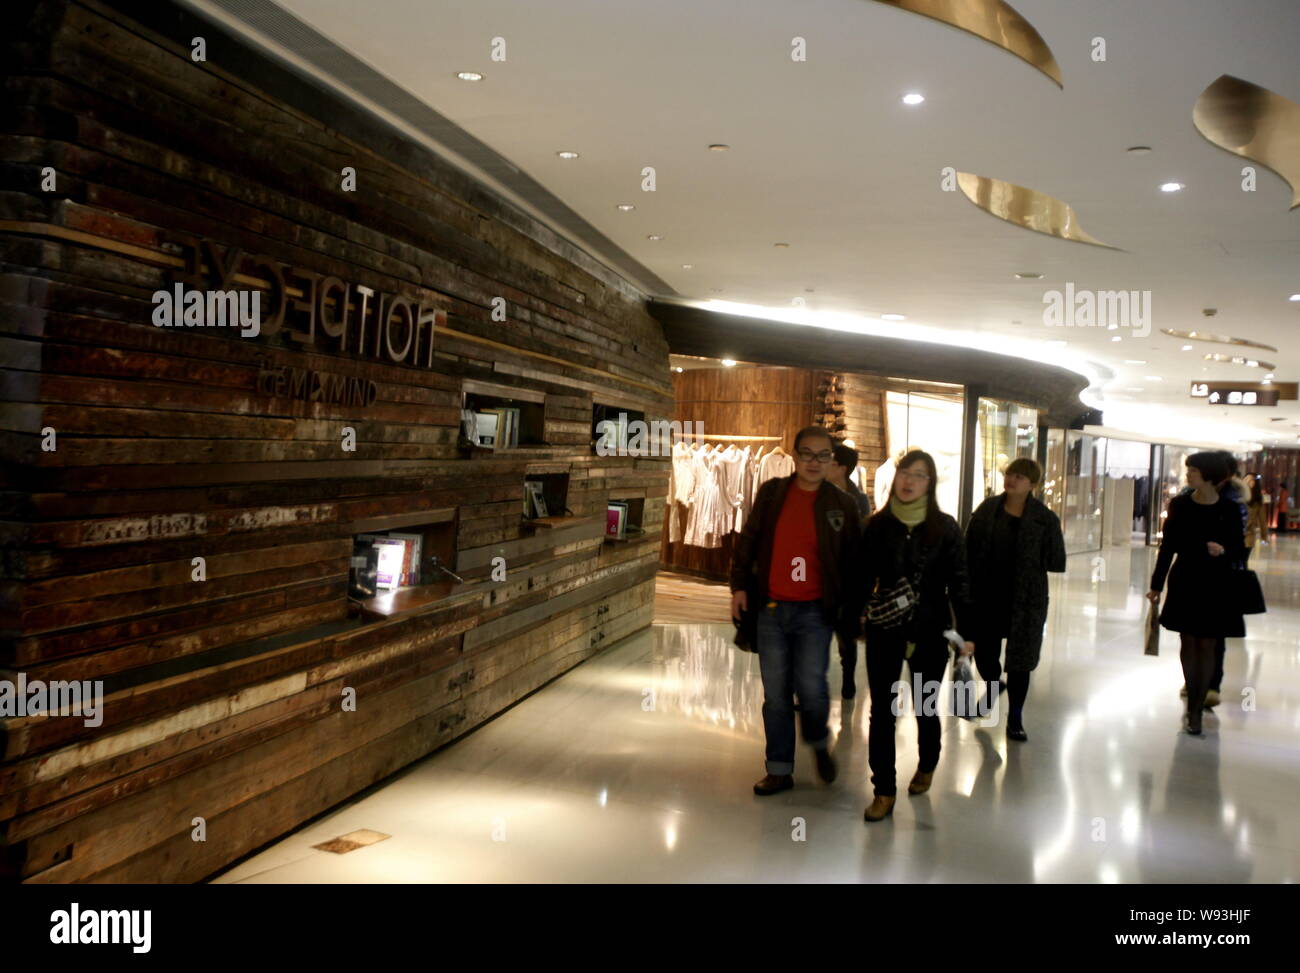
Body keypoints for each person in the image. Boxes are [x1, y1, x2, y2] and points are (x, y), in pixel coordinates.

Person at [731, 426, 862, 796]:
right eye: (807, 453)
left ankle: (819, 742)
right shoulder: (772, 494)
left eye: (823, 455)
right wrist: (739, 586)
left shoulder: (843, 505)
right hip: (771, 609)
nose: (814, 462)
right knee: (776, 694)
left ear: (832, 460)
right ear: (795, 456)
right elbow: (749, 541)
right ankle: (778, 769)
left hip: (815, 613)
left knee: (812, 688)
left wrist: (853, 610)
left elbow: (855, 562)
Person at [859, 449, 974, 822]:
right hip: (885, 629)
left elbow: (960, 584)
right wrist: (853, 618)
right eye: (905, 472)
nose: (909, 481)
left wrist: (966, 635)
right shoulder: (878, 525)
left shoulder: (946, 528)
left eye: (919, 475)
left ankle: (927, 763)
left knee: (926, 705)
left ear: (930, 482)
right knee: (882, 711)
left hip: (928, 630)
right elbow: (860, 579)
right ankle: (884, 790)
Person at [963, 457, 1066, 742]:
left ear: (1032, 484)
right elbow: (968, 549)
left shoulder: (1044, 518)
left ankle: (1016, 718)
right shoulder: (987, 510)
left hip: (1026, 599)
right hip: (987, 596)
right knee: (984, 654)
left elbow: (1057, 559)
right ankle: (994, 685)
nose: (1012, 480)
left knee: (1020, 662)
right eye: (1010, 474)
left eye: (1020, 477)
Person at [1147, 452, 1245, 736]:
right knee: (1188, 641)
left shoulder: (1228, 508)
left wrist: (1223, 549)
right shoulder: (1180, 505)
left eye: (1194, 470)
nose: (1188, 474)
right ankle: (1193, 707)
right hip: (1186, 579)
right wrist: (1156, 585)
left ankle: (1200, 700)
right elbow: (1167, 548)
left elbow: (1239, 548)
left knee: (1208, 644)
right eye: (1189, 469)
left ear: (1209, 476)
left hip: (1216, 582)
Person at [825, 442, 873, 699]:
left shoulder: (858, 499)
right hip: (821, 575)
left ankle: (848, 680)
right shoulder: (817, 493)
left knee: (846, 635)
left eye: (830, 462)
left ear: (842, 468)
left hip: (847, 577)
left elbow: (862, 541)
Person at [1244, 476, 1269, 565]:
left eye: (1251, 480)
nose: (1248, 482)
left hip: (1249, 534)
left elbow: (1262, 519)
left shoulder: (1257, 500)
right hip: (1234, 534)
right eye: (1246, 479)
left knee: (1243, 560)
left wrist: (1264, 536)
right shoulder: (1237, 496)